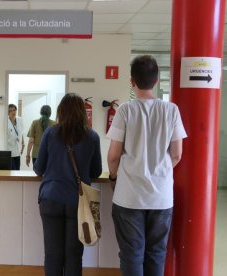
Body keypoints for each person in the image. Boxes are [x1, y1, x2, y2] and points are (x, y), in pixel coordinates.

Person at [106, 55, 187, 276]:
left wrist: (114, 176)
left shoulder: (125, 110)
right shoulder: (171, 110)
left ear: (132, 82)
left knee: (132, 255)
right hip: (161, 198)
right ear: (157, 80)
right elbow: (177, 154)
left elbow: (113, 156)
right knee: (157, 254)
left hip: (129, 197)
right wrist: (159, 169)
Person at [33, 93, 102, 276]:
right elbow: (95, 172)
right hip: (77, 203)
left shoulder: (50, 133)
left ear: (60, 111)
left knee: (53, 254)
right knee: (73, 254)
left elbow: (38, 168)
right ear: (82, 113)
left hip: (51, 198)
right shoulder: (92, 137)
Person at [7, 104, 24, 170]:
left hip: (18, 149)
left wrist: (23, 145)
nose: (13, 112)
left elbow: (21, 133)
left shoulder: (20, 120)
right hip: (9, 150)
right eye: (10, 111)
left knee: (17, 170)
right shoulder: (6, 122)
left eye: (14, 110)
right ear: (8, 113)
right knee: (12, 170)